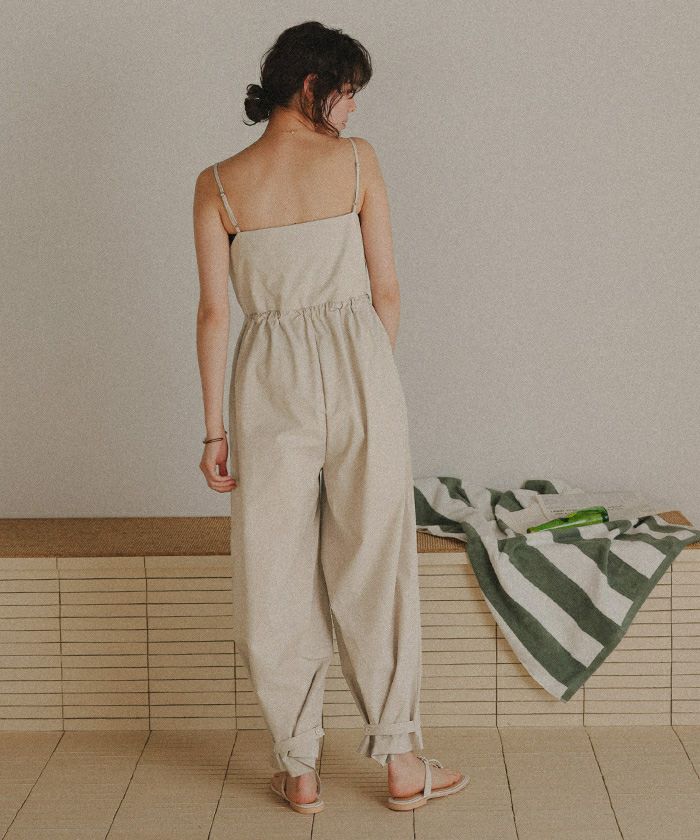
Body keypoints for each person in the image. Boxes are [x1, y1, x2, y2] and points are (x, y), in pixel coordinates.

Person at [192, 21, 468, 814]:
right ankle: (402, 763)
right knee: (374, 560)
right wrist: (366, 375)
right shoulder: (356, 161)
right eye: (347, 93)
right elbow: (387, 291)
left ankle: (301, 768)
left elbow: (214, 315)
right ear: (312, 85)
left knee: (273, 570)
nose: (351, 110)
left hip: (265, 379)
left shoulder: (217, 184)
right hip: (359, 367)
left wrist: (214, 431)